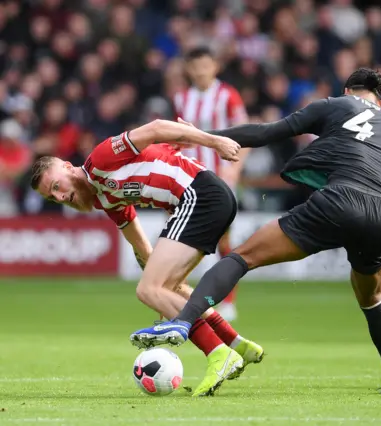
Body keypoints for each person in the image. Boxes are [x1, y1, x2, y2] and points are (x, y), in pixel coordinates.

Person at [131, 68, 381, 394]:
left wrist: (202, 136)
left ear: (347, 91)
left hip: (338, 200)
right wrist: (375, 208)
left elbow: (268, 132)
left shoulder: (338, 105)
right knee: (372, 297)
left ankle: (184, 322)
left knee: (243, 256)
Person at [30, 119, 264, 397]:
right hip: (206, 201)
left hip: (200, 196)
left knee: (148, 289)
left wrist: (214, 141)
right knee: (163, 288)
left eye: (57, 185)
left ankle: (218, 354)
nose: (61, 195)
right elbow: (138, 240)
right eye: (54, 197)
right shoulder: (104, 198)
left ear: (68, 167)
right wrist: (160, 293)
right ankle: (235, 343)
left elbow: (155, 128)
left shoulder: (102, 159)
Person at [173, 47, 250, 322]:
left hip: (220, 178)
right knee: (180, 238)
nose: (201, 71)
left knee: (223, 241)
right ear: (189, 69)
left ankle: (228, 301)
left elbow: (245, 132)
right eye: (195, 66)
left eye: (206, 65)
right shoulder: (181, 97)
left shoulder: (227, 95)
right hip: (188, 180)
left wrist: (235, 169)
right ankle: (177, 297)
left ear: (215, 66)